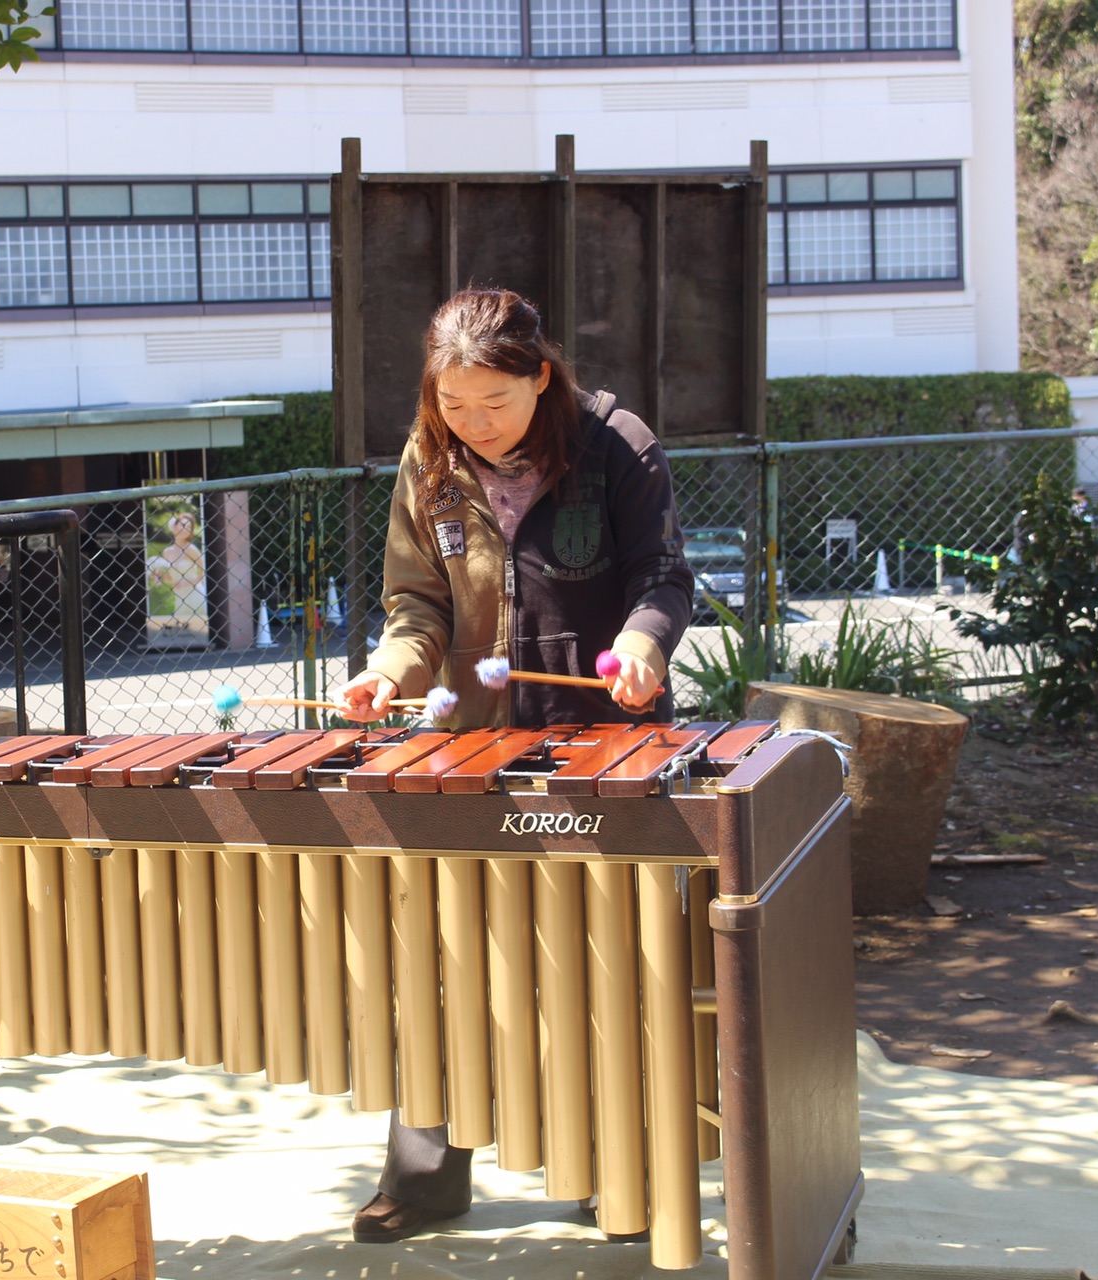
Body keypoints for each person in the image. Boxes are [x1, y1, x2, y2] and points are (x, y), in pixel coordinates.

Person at [334, 287, 695, 1243]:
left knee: (604, 960)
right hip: (470, 745)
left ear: (542, 377)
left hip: (599, 743)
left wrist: (645, 647)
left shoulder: (618, 447)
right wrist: (385, 671)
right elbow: (417, 606)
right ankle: (421, 1182)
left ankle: (613, 1170)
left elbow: (663, 575)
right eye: (454, 406)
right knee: (441, 959)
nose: (474, 425)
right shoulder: (431, 463)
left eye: (494, 403)